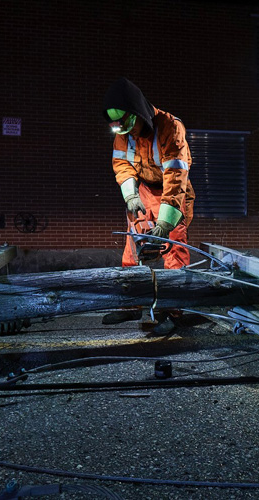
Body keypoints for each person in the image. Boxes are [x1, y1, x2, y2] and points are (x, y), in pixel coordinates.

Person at [101, 77, 195, 333]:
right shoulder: (124, 133)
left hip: (172, 191)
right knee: (133, 245)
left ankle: (172, 308)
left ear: (138, 113)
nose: (127, 133)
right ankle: (130, 303)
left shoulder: (170, 127)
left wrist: (165, 221)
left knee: (173, 245)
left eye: (130, 126)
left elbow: (176, 176)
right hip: (142, 189)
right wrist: (131, 196)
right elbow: (121, 164)